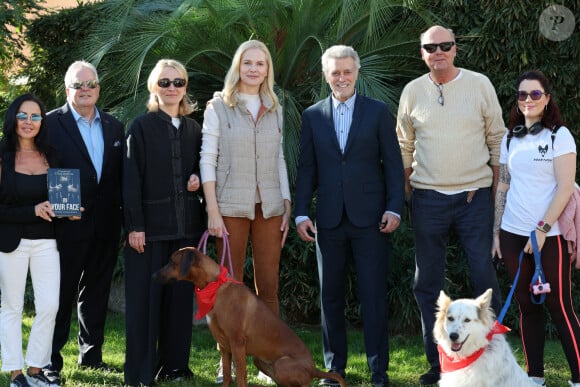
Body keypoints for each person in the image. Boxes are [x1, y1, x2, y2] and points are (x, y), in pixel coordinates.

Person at [396, 25, 505, 385]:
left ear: (455, 49)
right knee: (426, 283)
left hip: (475, 198)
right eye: (431, 47)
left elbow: (496, 140)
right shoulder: (412, 92)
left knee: (484, 276)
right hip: (428, 199)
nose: (438, 51)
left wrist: (496, 193)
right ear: (422, 52)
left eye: (445, 45)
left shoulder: (479, 84)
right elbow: (404, 148)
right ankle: (439, 364)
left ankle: (493, 360)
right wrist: (409, 195)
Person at [294, 44, 405, 387]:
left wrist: (394, 206)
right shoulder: (312, 115)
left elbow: (393, 166)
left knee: (372, 296)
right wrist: (300, 213)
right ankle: (334, 370)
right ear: (326, 76)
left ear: (357, 73)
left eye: (347, 71)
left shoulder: (378, 112)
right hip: (327, 220)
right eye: (335, 72)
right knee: (330, 298)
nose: (341, 77)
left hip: (371, 220)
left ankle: (378, 371)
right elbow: (307, 168)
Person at [200, 39, 291, 383]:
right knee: (229, 289)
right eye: (248, 63)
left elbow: (279, 157)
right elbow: (207, 160)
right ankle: (227, 363)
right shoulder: (218, 107)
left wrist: (285, 201)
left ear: (268, 69)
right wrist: (212, 209)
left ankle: (269, 360)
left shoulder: (274, 106)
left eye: (261, 63)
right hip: (229, 207)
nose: (254, 69)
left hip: (268, 205)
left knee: (268, 286)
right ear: (237, 67)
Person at [492, 70, 580, 387]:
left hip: (550, 236)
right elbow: (503, 184)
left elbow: (565, 187)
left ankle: (579, 377)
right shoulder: (509, 137)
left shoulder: (559, 136)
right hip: (513, 234)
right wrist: (496, 233)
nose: (528, 100)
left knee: (560, 308)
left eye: (535, 94)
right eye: (522, 95)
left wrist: (542, 229)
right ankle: (535, 377)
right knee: (527, 307)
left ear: (547, 99)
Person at [123, 58, 205, 386]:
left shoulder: (194, 129)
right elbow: (130, 180)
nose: (172, 88)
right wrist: (134, 226)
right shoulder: (140, 127)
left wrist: (199, 175)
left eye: (178, 82)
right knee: (145, 302)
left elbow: (204, 165)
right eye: (165, 82)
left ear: (185, 87)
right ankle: (142, 372)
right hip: (149, 231)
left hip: (186, 229)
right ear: (154, 87)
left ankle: (175, 367)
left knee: (179, 303)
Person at [42, 61, 125, 383]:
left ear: (98, 88)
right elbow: (37, 170)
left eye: (91, 84)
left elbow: (118, 177)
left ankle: (91, 356)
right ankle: (50, 361)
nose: (85, 89)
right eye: (78, 85)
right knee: (60, 294)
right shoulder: (49, 124)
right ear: (67, 90)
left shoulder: (115, 126)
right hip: (65, 225)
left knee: (96, 292)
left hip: (105, 224)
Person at [0, 94, 61, 387]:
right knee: (12, 306)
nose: (28, 122)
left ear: (42, 121)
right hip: (11, 241)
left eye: (35, 116)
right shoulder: (2, 155)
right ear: (13, 118)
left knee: (49, 305)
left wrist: (68, 212)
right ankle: (15, 372)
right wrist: (32, 210)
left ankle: (36, 368)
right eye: (23, 115)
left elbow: (59, 199)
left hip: (46, 240)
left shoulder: (51, 154)